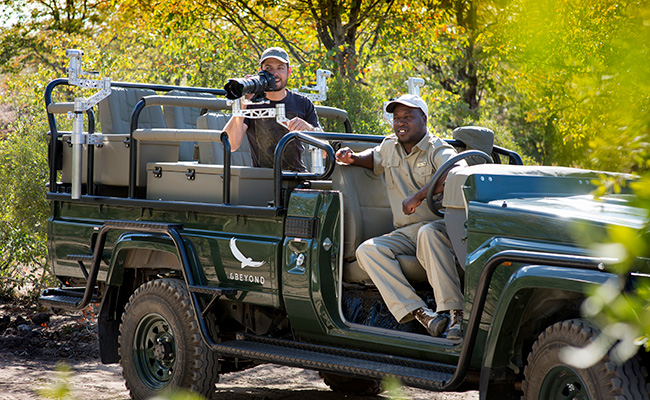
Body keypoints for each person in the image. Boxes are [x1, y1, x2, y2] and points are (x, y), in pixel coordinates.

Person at [335, 94, 464, 339]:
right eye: (396, 118)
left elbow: (455, 173)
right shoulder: (389, 146)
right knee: (367, 250)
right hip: (407, 232)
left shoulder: (437, 148)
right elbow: (373, 158)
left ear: (424, 119)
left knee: (428, 233)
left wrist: (417, 197)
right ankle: (423, 314)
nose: (400, 122)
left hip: (441, 227)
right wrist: (352, 158)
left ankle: (455, 314)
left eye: (408, 117)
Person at [223, 47, 319, 171]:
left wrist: (308, 128)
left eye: (280, 68)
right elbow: (231, 145)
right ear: (260, 71)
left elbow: (324, 152)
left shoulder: (303, 102)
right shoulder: (250, 103)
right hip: (262, 179)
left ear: (289, 71)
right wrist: (242, 104)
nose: (275, 74)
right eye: (269, 69)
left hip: (296, 178)